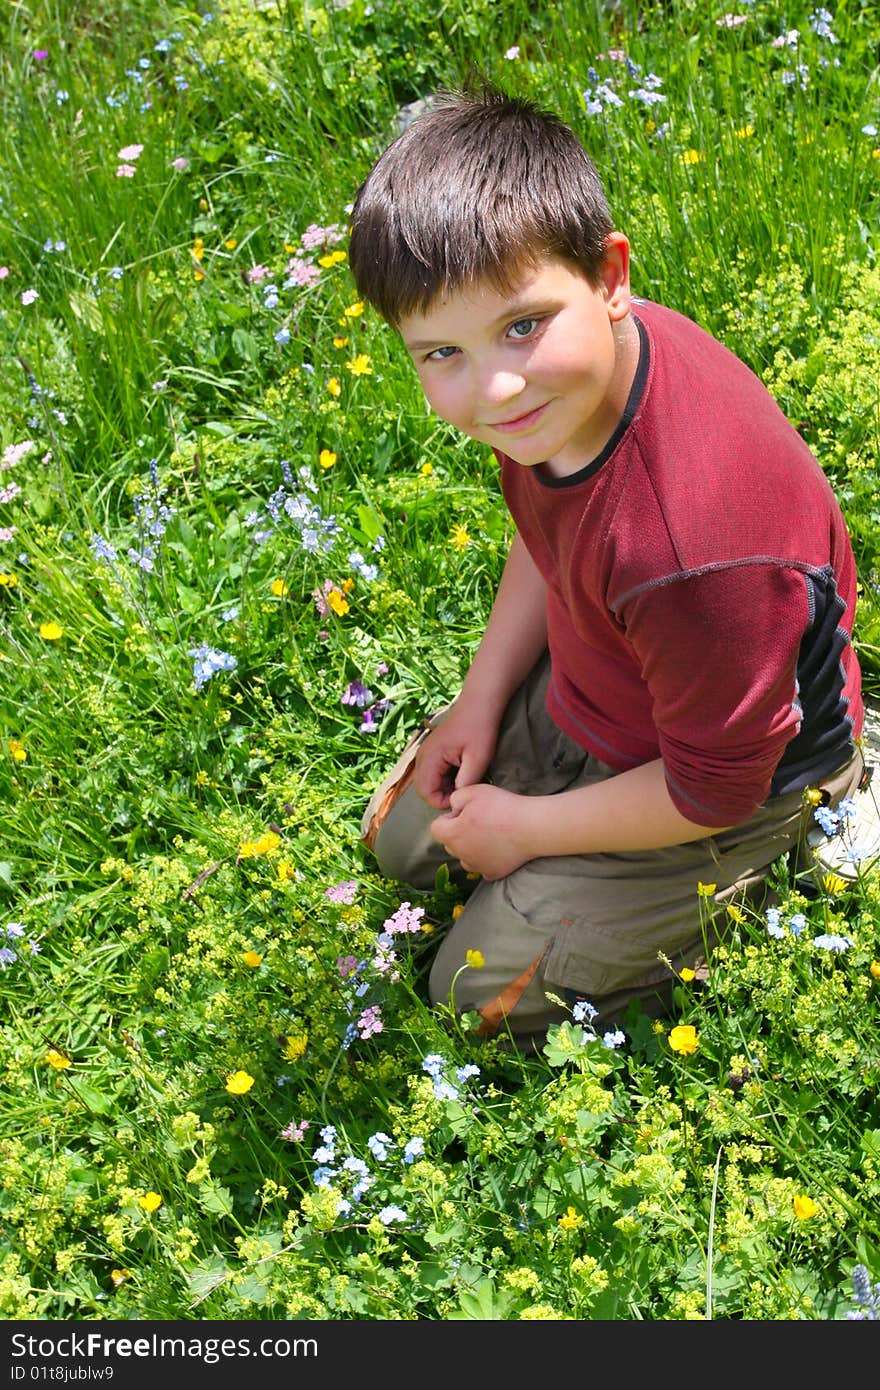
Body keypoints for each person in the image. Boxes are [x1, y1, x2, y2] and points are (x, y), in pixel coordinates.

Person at [346, 82, 867, 1046]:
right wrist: (481, 697)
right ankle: (547, 825)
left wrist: (530, 832)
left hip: (743, 776)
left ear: (611, 272)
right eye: (440, 353)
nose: (492, 386)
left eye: (518, 326)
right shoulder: (561, 387)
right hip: (617, 686)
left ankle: (829, 824)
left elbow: (715, 787)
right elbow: (548, 540)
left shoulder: (693, 549)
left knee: (470, 994)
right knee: (403, 847)